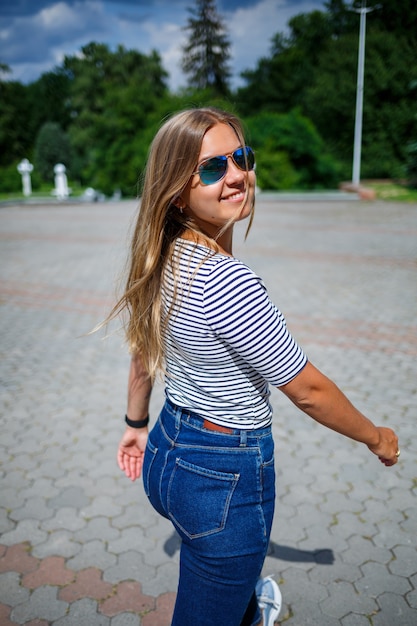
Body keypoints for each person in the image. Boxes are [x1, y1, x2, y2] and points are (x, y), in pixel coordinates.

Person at [111, 107, 399, 626]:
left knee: (213, 567)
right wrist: (376, 437)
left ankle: (242, 604)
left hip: (167, 450)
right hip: (223, 472)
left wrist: (135, 424)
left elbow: (142, 347)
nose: (237, 174)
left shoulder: (163, 254)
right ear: (177, 191)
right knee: (212, 584)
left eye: (241, 157)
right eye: (212, 168)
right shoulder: (229, 282)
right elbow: (308, 389)